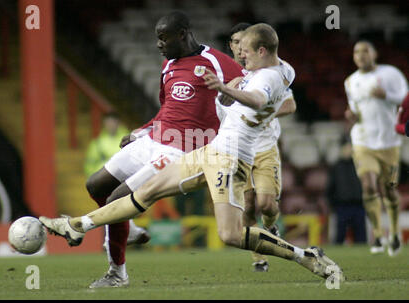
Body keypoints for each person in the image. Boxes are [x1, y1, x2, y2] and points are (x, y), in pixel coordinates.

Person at [40, 23, 344, 282]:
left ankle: (305, 257)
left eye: (246, 52)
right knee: (145, 192)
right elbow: (275, 88)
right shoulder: (283, 69)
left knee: (231, 235)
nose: (241, 57)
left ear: (262, 51)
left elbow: (255, 98)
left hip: (231, 159)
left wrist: (225, 88)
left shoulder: (267, 78)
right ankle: (77, 225)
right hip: (212, 151)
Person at [82, 11, 244, 288]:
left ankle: (117, 273)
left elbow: (248, 89)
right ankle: (127, 228)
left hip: (184, 150)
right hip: (154, 140)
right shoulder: (168, 66)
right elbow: (166, 110)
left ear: (182, 34)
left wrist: (232, 105)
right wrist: (141, 132)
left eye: (162, 38)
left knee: (117, 200)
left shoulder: (217, 62)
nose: (158, 44)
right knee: (95, 185)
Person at [227, 22, 297, 272]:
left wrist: (263, 113)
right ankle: (259, 257)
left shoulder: (270, 72)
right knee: (247, 206)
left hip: (265, 147)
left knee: (266, 205)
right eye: (235, 43)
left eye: (243, 43)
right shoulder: (228, 74)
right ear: (231, 46)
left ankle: (269, 226)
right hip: (238, 149)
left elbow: (290, 105)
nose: (239, 48)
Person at [344, 40, 408, 256]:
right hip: (363, 142)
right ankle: (379, 236)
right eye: (356, 52)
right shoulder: (350, 81)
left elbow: (405, 100)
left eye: (365, 51)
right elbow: (354, 109)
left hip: (389, 143)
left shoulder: (391, 74)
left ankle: (395, 233)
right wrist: (350, 115)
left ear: (375, 53)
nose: (360, 55)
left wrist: (387, 96)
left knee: (389, 190)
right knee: (369, 186)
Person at [83, 112, 150, 247]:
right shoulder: (98, 143)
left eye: (113, 121)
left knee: (122, 208)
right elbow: (89, 164)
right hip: (106, 181)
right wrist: (97, 175)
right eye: (108, 122)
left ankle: (128, 238)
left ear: (118, 122)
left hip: (127, 179)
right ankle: (117, 238)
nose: (110, 125)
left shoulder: (128, 138)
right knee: (112, 207)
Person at [326, 137, 367, 244]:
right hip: (342, 206)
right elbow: (330, 188)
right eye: (347, 147)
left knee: (361, 237)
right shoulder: (336, 167)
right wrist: (334, 204)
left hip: (358, 205)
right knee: (339, 237)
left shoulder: (359, 165)